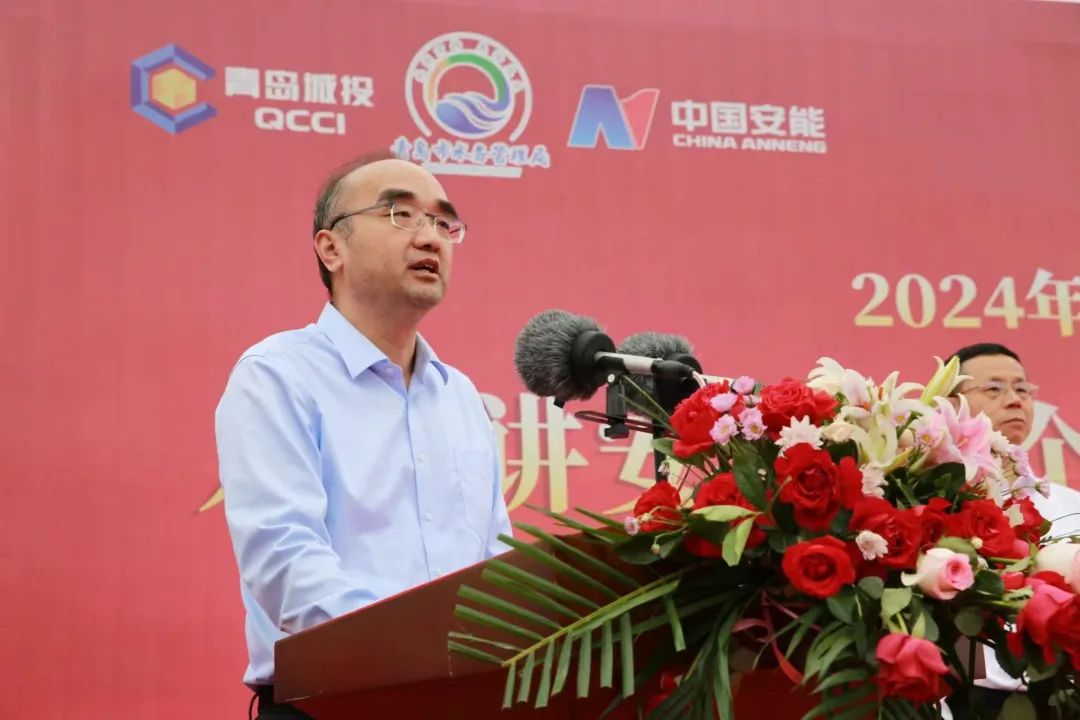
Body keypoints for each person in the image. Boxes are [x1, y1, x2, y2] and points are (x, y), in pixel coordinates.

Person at [215, 153, 512, 718]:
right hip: (333, 702)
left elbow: (494, 559)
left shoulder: (460, 397)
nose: (430, 238)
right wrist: (413, 653)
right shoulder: (278, 374)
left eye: (443, 222)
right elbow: (284, 555)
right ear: (332, 249)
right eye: (400, 214)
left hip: (463, 701)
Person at [944, 343, 1080, 719]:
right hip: (967, 700)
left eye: (1022, 389)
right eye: (994, 388)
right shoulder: (936, 498)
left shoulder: (1071, 505)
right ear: (953, 404)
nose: (1014, 400)